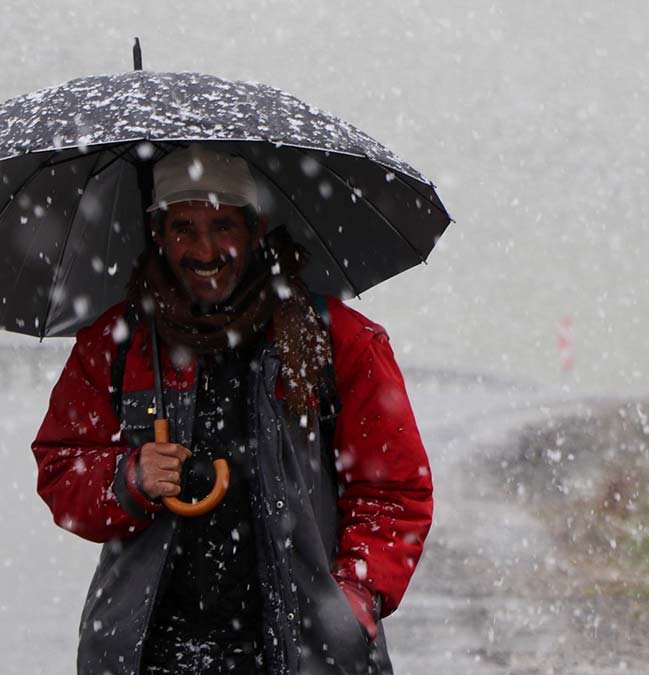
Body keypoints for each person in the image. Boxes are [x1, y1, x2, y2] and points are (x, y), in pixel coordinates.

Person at [31, 145, 433, 675]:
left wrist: (353, 595)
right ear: (157, 233)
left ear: (255, 229)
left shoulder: (338, 341)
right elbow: (61, 466)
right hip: (149, 657)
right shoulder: (115, 345)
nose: (205, 249)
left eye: (223, 225)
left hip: (303, 655)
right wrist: (129, 477)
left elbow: (394, 492)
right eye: (184, 228)